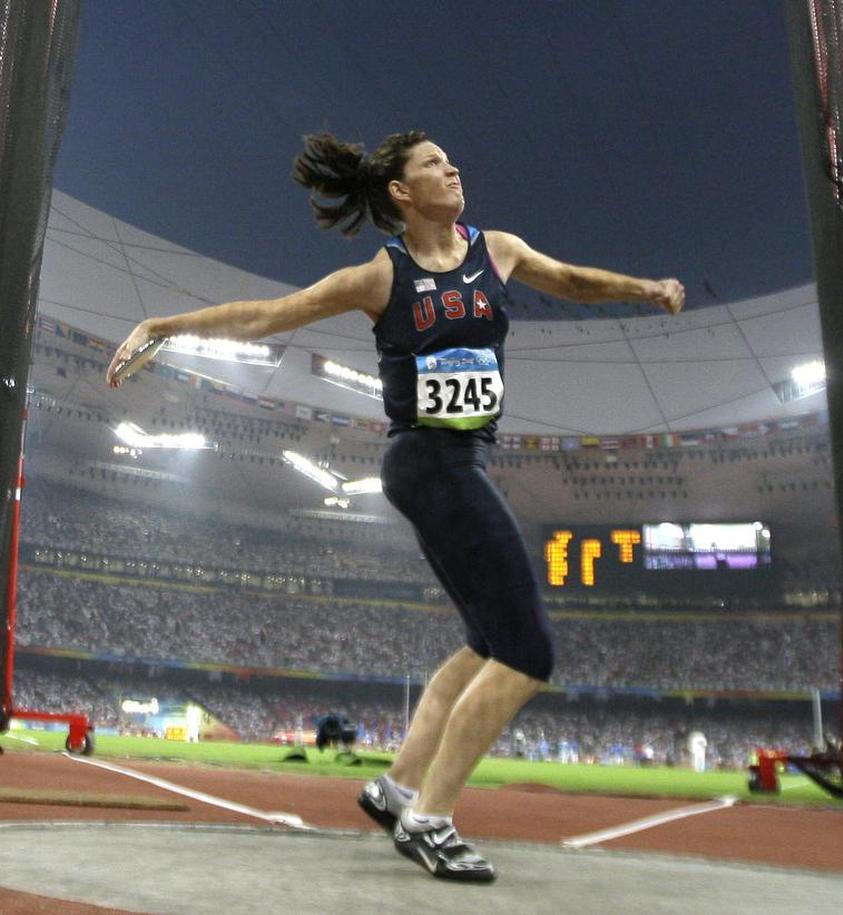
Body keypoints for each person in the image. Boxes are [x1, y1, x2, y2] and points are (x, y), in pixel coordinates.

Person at [105, 129, 684, 882]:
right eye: (435, 163)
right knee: (529, 651)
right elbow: (270, 315)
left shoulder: (497, 248)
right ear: (404, 195)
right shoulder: (382, 276)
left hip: (460, 460)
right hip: (424, 461)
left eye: (453, 159)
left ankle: (397, 787)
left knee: (485, 641)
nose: (454, 167)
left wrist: (647, 288)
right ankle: (431, 818)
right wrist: (164, 326)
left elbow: (571, 280)